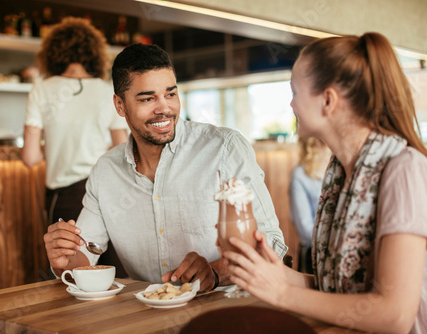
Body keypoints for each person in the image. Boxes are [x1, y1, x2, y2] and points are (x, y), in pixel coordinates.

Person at [223, 32, 427, 333]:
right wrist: (277, 274)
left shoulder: (404, 169)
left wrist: (282, 293)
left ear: (328, 100)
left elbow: (394, 315)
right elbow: (340, 290)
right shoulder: (341, 174)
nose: (290, 103)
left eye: (294, 91)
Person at [43, 43, 288, 292]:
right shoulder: (105, 172)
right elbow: (84, 253)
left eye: (170, 94)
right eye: (148, 98)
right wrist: (64, 260)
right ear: (119, 105)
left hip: (229, 312)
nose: (164, 109)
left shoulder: (224, 148)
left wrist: (215, 272)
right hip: (149, 319)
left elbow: (273, 245)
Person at [22, 17, 128, 227]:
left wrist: (54, 146)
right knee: (106, 259)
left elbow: (30, 157)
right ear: (95, 54)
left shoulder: (41, 89)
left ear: (52, 53)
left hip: (64, 198)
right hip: (105, 192)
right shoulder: (107, 91)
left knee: (66, 258)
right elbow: (122, 149)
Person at [289, 137, 330, 273]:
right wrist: (335, 239)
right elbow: (305, 229)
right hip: (314, 254)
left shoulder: (338, 167)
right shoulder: (300, 175)